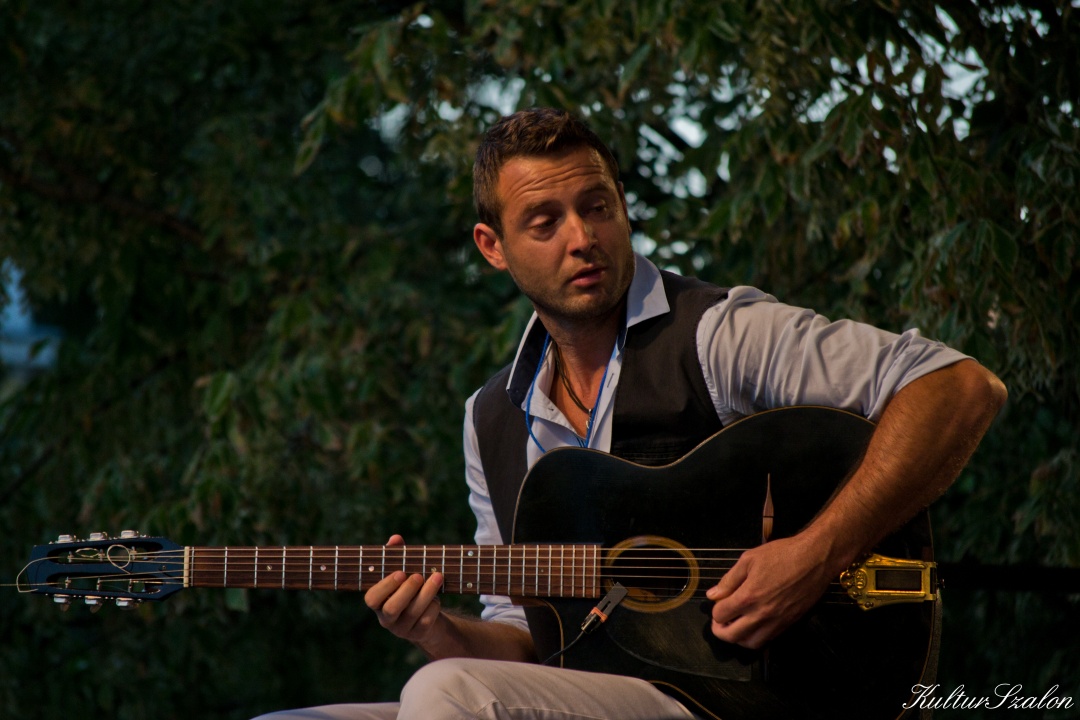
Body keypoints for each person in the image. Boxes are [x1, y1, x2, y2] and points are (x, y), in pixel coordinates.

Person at [255, 108, 1007, 720]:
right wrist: (435, 629)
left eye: (598, 207)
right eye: (544, 221)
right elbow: (528, 641)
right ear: (493, 246)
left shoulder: (716, 334)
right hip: (599, 696)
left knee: (445, 694)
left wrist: (816, 555)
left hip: (761, 698)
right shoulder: (491, 418)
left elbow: (959, 386)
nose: (583, 238)